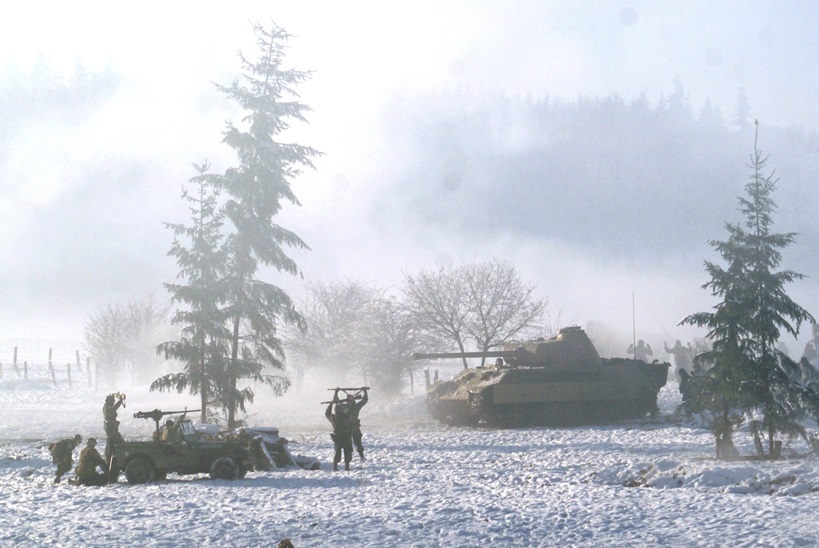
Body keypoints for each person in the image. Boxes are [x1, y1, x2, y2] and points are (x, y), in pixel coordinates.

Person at [325, 389, 354, 471]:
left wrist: (330, 405)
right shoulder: (346, 417)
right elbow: (351, 409)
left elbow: (327, 414)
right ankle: (347, 467)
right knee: (348, 451)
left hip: (338, 437)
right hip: (346, 437)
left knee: (337, 452)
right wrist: (351, 401)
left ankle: (335, 467)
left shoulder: (333, 418)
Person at [345, 389, 369, 461]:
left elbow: (364, 400)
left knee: (358, 442)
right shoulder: (345, 406)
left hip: (352, 426)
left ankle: (361, 455)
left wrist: (365, 392)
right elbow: (336, 403)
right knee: (347, 443)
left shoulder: (355, 406)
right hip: (347, 427)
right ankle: (348, 459)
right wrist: (365, 392)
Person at [102, 393, 125, 466]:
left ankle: (113, 456)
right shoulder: (107, 407)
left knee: (115, 439)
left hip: (111, 426)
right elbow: (114, 408)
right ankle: (110, 457)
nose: (113, 402)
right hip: (110, 426)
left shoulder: (107, 406)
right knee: (112, 440)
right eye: (112, 400)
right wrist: (120, 401)